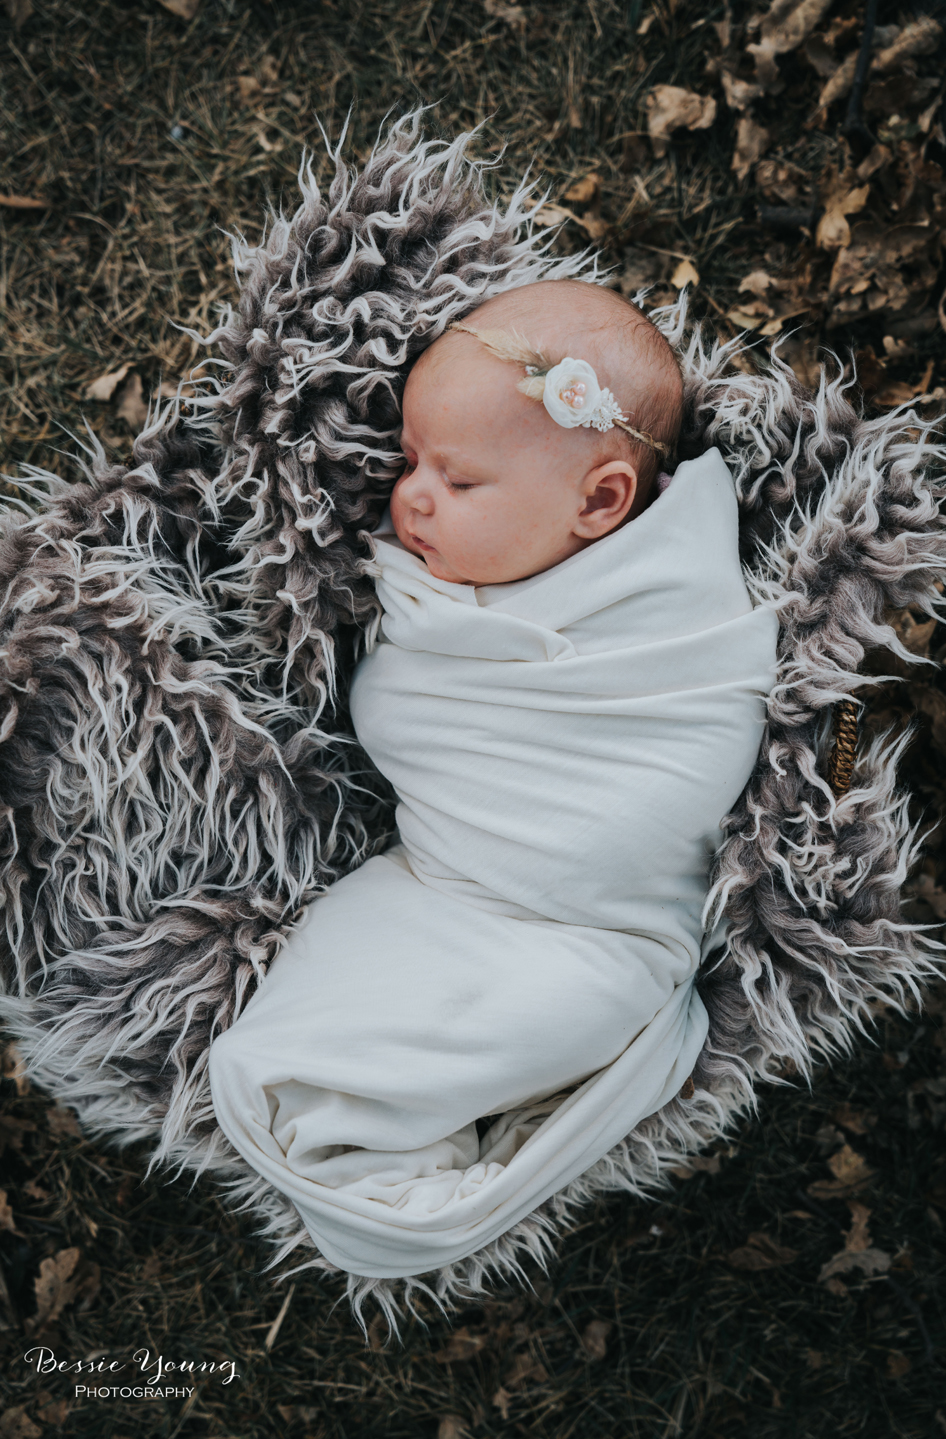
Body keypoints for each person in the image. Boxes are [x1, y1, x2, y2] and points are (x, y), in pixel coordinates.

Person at [208, 279, 779, 1279]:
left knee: (524, 1011)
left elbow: (699, 717)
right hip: (447, 883)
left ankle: (412, 1140)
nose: (413, 495)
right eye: (414, 461)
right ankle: (388, 1134)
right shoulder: (470, 569)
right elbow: (416, 707)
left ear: (603, 502)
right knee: (309, 1026)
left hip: (594, 928)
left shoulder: (669, 596)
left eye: (459, 481)